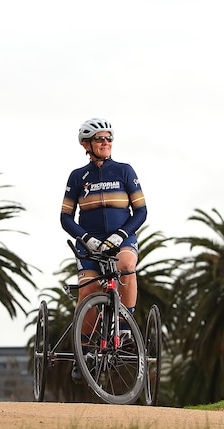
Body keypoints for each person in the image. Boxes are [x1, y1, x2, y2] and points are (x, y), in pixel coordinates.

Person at [60, 117, 147, 381]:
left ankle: (126, 325)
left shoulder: (124, 171)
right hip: (90, 243)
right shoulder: (77, 177)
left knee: (126, 266)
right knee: (88, 291)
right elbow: (65, 217)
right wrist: (86, 238)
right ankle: (84, 350)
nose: (106, 143)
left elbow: (141, 210)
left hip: (122, 238)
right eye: (100, 139)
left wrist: (121, 235)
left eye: (109, 138)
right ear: (86, 144)